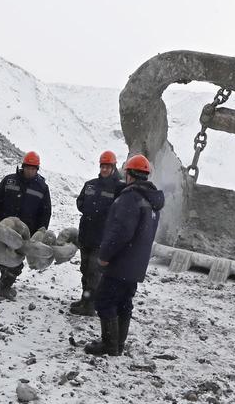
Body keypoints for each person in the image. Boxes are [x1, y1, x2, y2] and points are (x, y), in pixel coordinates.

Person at [85, 154, 164, 357]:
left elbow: (120, 232)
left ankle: (109, 344)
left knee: (104, 300)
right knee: (124, 303)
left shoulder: (130, 198)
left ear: (129, 174)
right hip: (136, 265)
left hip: (120, 263)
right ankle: (118, 344)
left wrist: (105, 255)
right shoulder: (152, 201)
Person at [0, 151, 51, 300]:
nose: (30, 171)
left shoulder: (42, 187)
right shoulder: (9, 180)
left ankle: (5, 286)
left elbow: (46, 211)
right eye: (28, 167)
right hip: (5, 228)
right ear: (23, 166)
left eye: (33, 168)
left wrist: (41, 229)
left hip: (26, 233)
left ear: (37, 169)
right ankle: (4, 279)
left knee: (16, 262)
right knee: (3, 257)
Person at [70, 150, 124, 315]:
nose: (105, 169)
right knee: (85, 269)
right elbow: (80, 202)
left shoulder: (119, 187)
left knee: (95, 272)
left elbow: (121, 212)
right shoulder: (91, 184)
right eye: (103, 166)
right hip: (86, 234)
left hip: (102, 238)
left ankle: (90, 305)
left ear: (113, 167)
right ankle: (85, 298)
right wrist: (89, 210)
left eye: (108, 166)